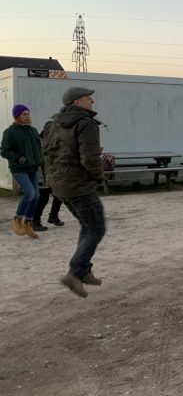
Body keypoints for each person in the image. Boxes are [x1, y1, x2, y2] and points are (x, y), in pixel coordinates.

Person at [43, 87, 106, 298]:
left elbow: (48, 154)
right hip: (79, 185)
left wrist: (53, 181)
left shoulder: (53, 124)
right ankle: (75, 273)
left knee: (87, 226)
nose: (92, 102)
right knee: (96, 228)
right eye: (89, 98)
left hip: (60, 185)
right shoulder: (85, 124)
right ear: (77, 102)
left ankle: (83, 270)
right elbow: (90, 158)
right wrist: (98, 177)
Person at [1, 104, 43, 238]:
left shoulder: (33, 130)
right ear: (17, 116)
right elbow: (4, 151)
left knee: (36, 196)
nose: (27, 117)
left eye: (28, 114)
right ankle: (17, 220)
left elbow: (38, 148)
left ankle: (28, 223)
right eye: (24, 114)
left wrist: (40, 161)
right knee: (30, 193)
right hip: (19, 168)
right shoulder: (10, 132)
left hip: (33, 167)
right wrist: (19, 159)